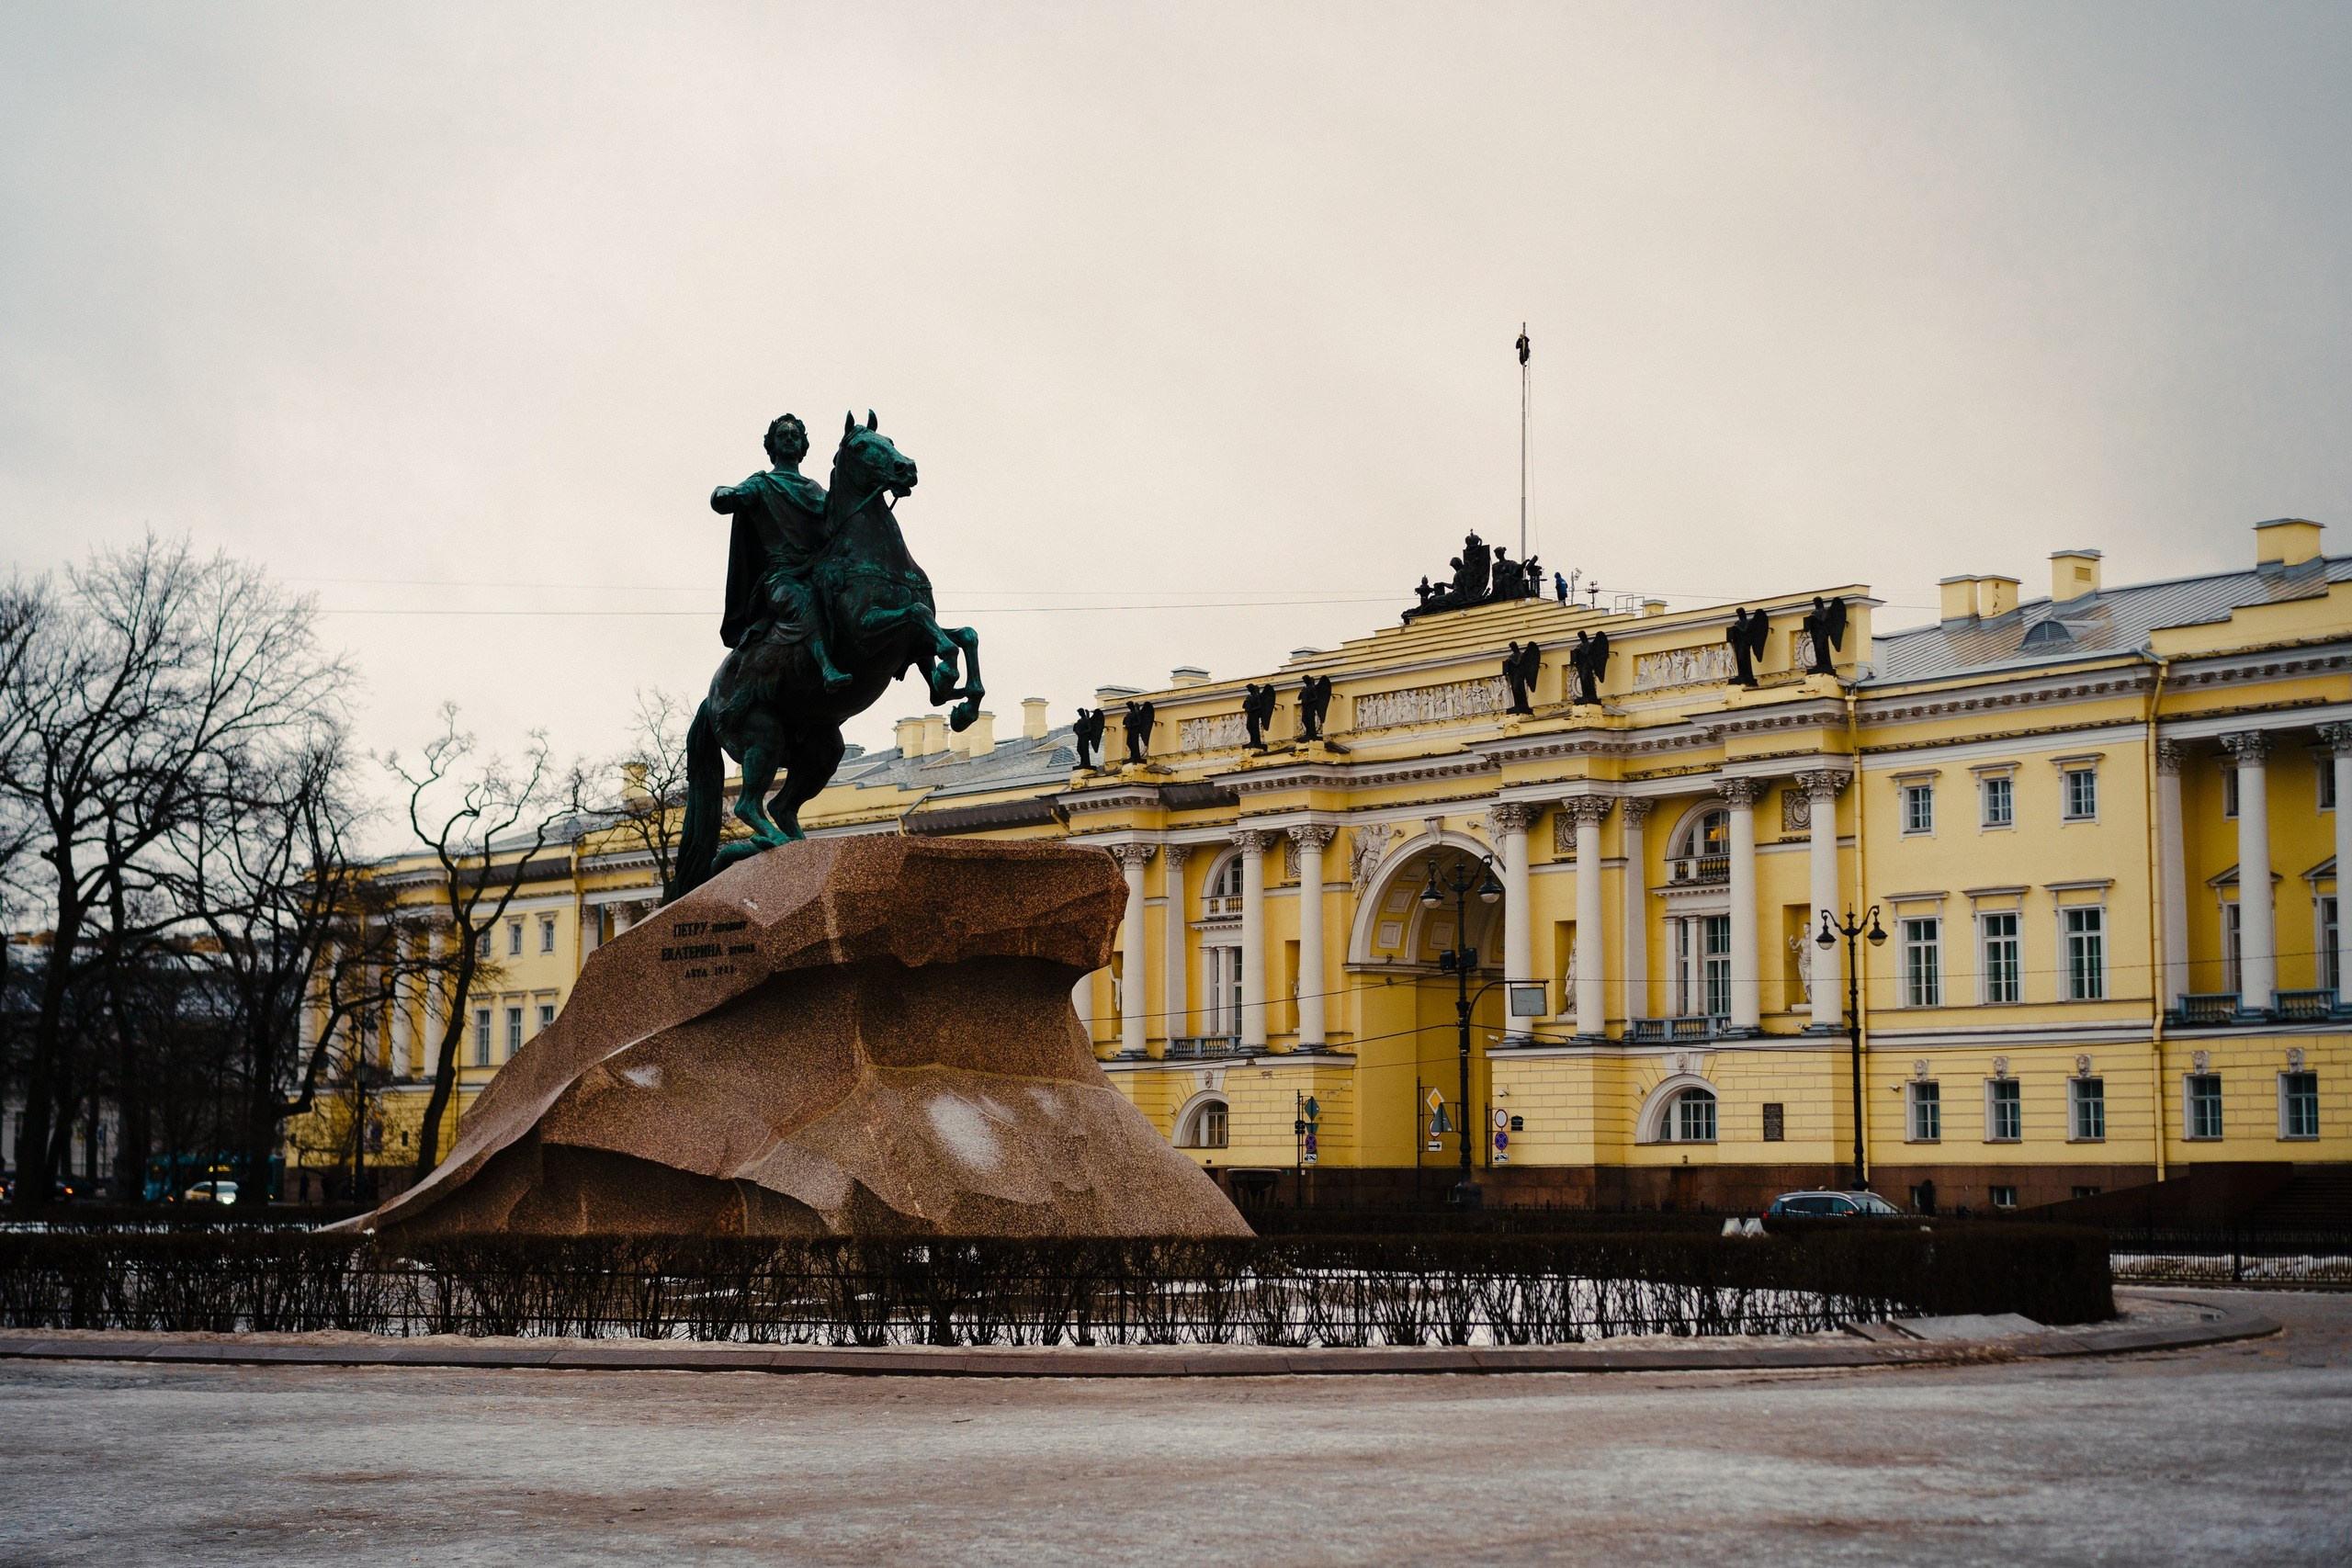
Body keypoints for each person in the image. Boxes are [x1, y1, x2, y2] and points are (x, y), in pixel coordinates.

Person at [710, 413, 851, 692]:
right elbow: (725, 497)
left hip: (816, 571)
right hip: (781, 578)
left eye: (795, 435)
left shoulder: (818, 491)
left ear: (803, 446)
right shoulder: (762, 484)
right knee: (802, 600)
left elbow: (839, 525)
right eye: (782, 435)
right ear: (772, 446)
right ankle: (827, 669)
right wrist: (723, 494)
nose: (789, 438)